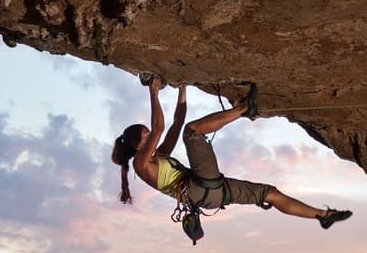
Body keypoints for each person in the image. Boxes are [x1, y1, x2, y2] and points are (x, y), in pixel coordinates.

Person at [110, 77, 352, 229]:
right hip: (198, 187)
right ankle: (246, 108)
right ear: (134, 145)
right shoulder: (142, 166)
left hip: (211, 194)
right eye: (145, 135)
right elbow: (161, 127)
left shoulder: (158, 156)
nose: (150, 135)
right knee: (192, 132)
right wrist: (153, 94)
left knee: (270, 194)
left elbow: (176, 122)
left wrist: (182, 87)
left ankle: (322, 215)